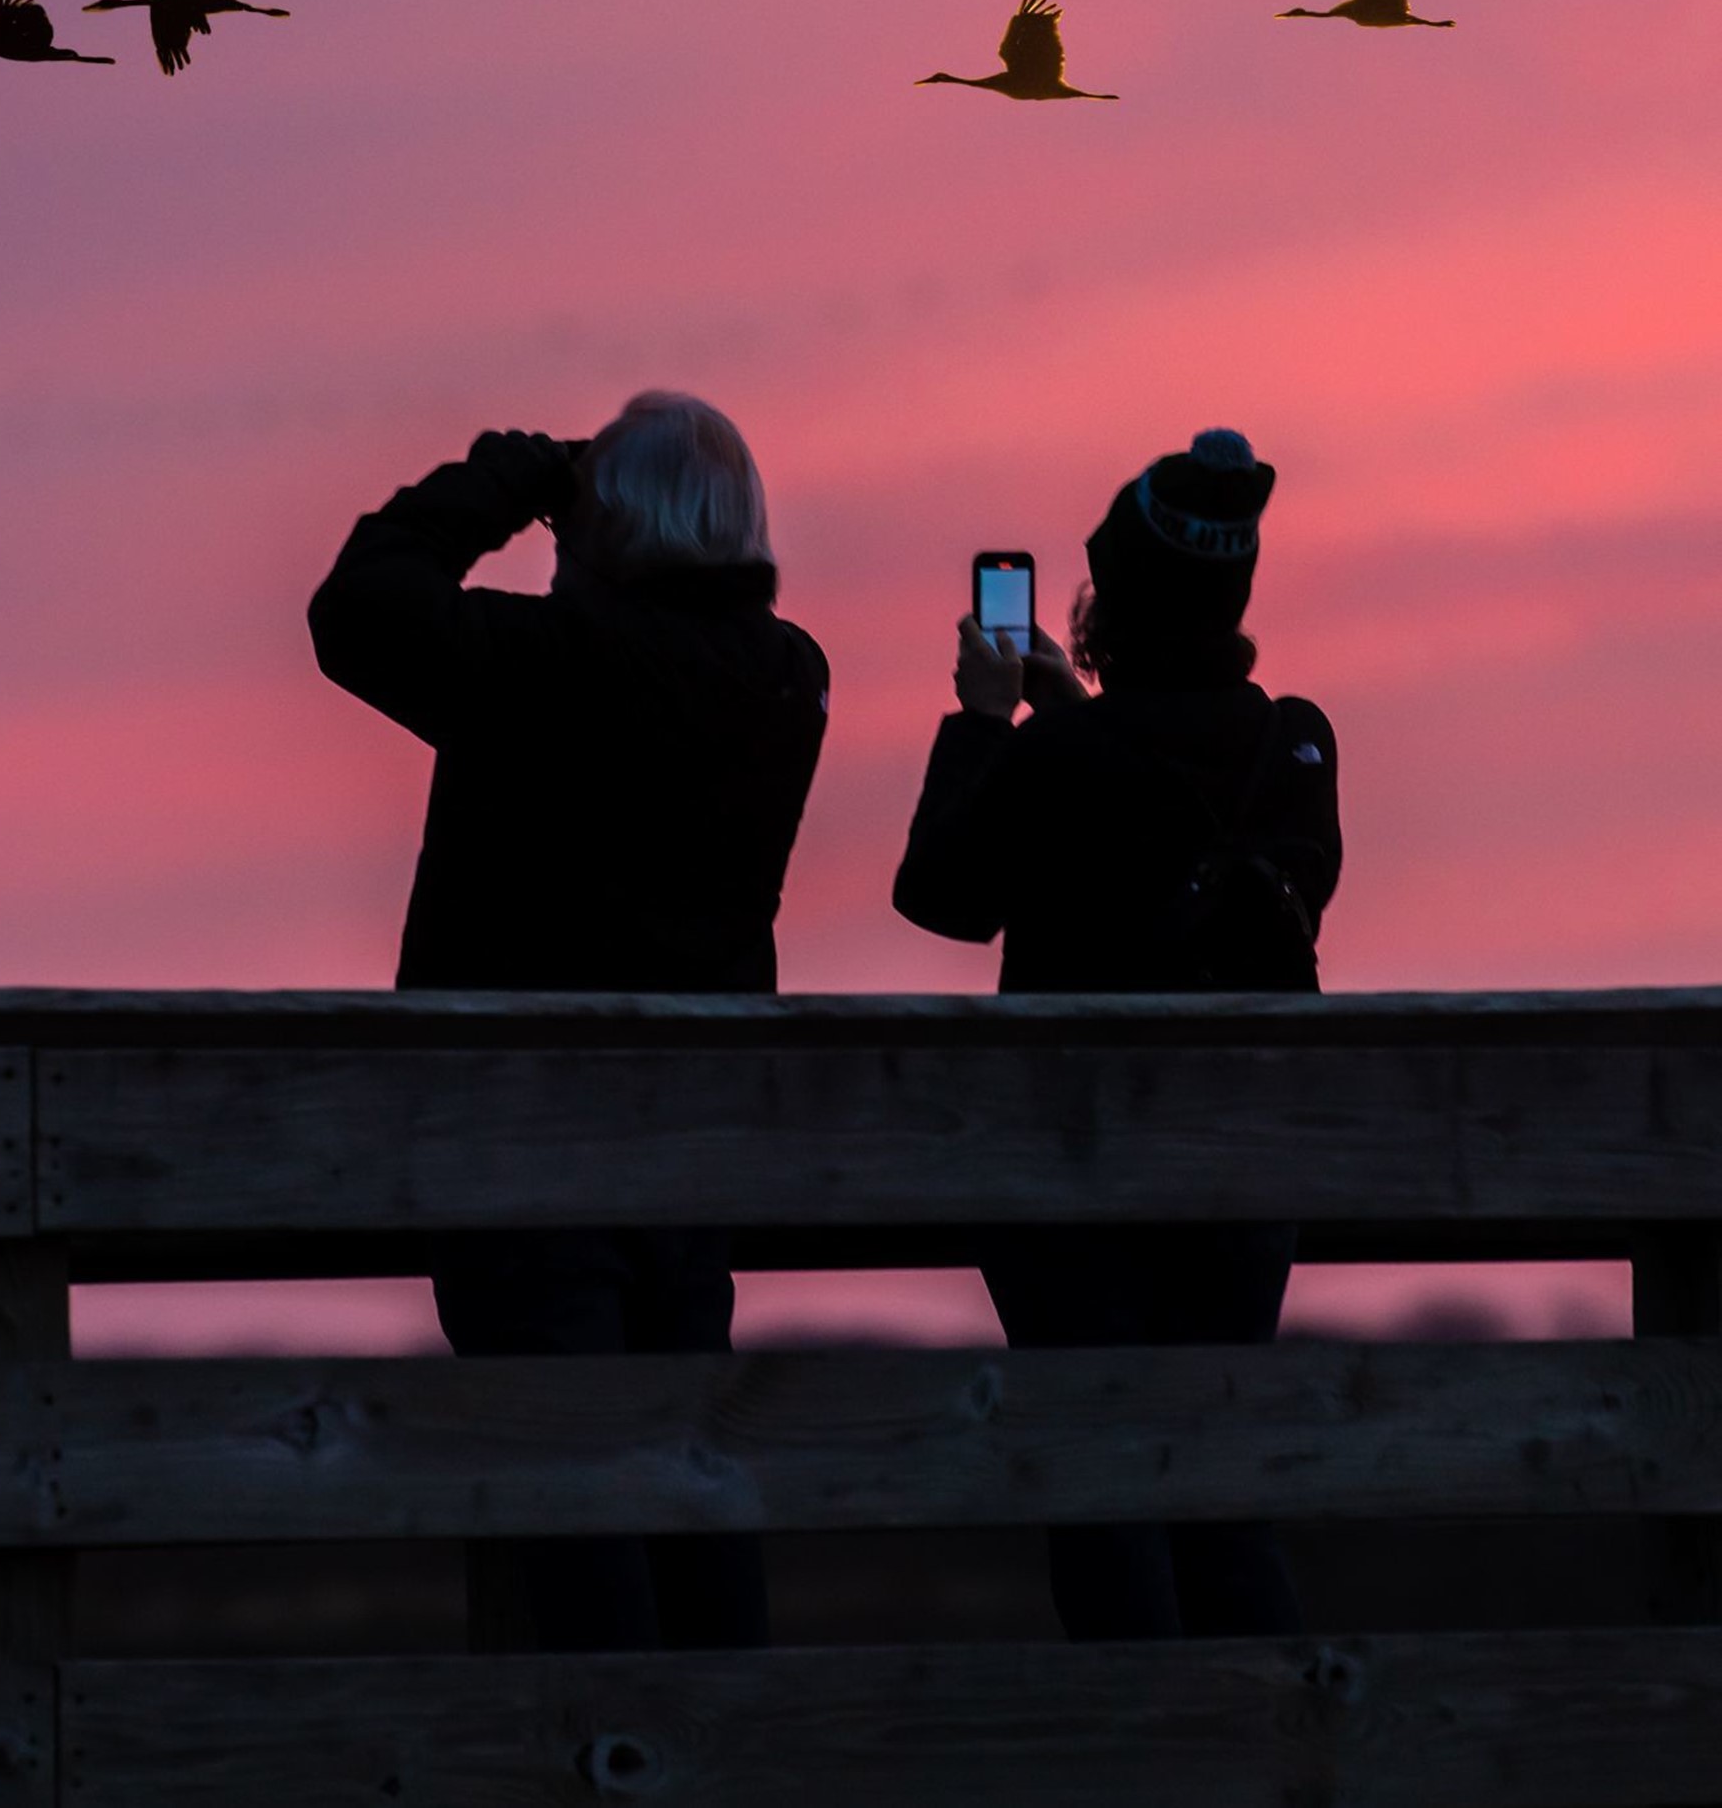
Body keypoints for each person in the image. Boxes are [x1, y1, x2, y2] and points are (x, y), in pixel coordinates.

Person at [308, 391, 828, 1652]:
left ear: (605, 521)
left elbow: (359, 606)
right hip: (694, 1161)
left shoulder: (547, 667)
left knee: (575, 1510)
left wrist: (512, 474)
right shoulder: (788, 681)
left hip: (521, 1159)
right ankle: (734, 1755)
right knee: (690, 1481)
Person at [893, 428, 1341, 1641]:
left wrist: (990, 721)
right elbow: (1168, 810)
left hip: (1073, 1185)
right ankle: (1269, 1752)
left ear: (1115, 595)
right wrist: (1071, 720)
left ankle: (1143, 1746)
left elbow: (940, 895)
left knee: (1105, 1496)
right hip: (1246, 1175)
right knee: (1219, 1491)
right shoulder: (1296, 745)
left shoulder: (1060, 756)